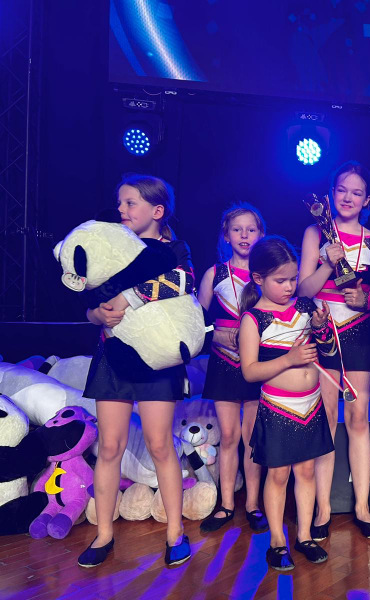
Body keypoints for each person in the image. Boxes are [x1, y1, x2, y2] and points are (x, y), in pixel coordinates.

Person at [78, 174, 194, 567]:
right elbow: (89, 302)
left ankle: (175, 533)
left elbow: (184, 281)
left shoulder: (175, 249)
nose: (122, 210)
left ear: (157, 211)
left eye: (131, 203)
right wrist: (96, 314)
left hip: (156, 362)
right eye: (120, 203)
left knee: (160, 445)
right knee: (109, 446)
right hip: (112, 358)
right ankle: (104, 535)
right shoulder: (110, 247)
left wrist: (130, 298)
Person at [297, 161, 370, 540]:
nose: (348, 197)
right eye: (341, 190)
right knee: (327, 420)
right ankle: (323, 509)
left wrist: (367, 300)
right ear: (330, 195)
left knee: (359, 419)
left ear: (367, 200)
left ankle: (363, 508)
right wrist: (327, 263)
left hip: (360, 333)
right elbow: (303, 291)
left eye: (356, 192)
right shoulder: (315, 232)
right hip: (324, 331)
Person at [239, 236, 335, 570]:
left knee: (306, 471)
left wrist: (322, 329)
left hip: (311, 404)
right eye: (280, 280)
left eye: (293, 279)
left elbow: (327, 352)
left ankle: (304, 536)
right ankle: (278, 542)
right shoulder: (254, 319)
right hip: (279, 407)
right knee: (278, 475)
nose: (289, 286)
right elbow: (250, 371)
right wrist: (288, 359)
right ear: (258, 278)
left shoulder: (305, 307)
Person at [196, 203, 268, 533]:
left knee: (251, 437)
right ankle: (226, 505)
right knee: (228, 436)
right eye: (237, 229)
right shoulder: (215, 273)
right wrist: (216, 335)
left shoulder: (266, 274)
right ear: (226, 235)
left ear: (261, 234)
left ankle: (252, 504)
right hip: (223, 361)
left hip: (257, 363)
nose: (244, 235)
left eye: (251, 229)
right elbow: (196, 322)